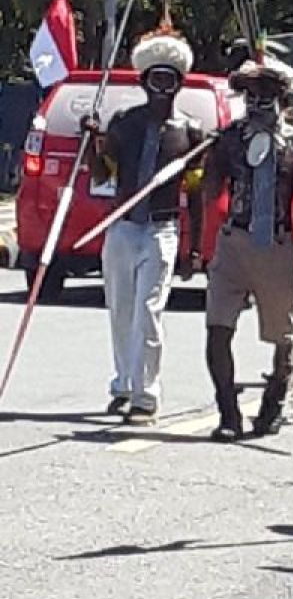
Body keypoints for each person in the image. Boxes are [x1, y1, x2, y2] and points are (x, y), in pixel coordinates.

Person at [83, 25, 204, 425]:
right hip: (122, 230)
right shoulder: (124, 123)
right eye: (156, 79)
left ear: (179, 85)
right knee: (121, 310)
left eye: (170, 80)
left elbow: (196, 193)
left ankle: (145, 396)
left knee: (149, 312)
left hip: (160, 232)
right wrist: (92, 143)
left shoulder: (190, 133)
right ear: (144, 82)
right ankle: (123, 384)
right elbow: (102, 176)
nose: (162, 88)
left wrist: (195, 247)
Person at [202, 58, 293, 441]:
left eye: (266, 94)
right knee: (217, 330)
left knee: (284, 337)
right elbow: (209, 190)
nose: (258, 102)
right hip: (233, 242)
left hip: (278, 246)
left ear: (282, 98)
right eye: (251, 94)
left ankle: (272, 403)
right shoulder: (228, 139)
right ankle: (228, 413)